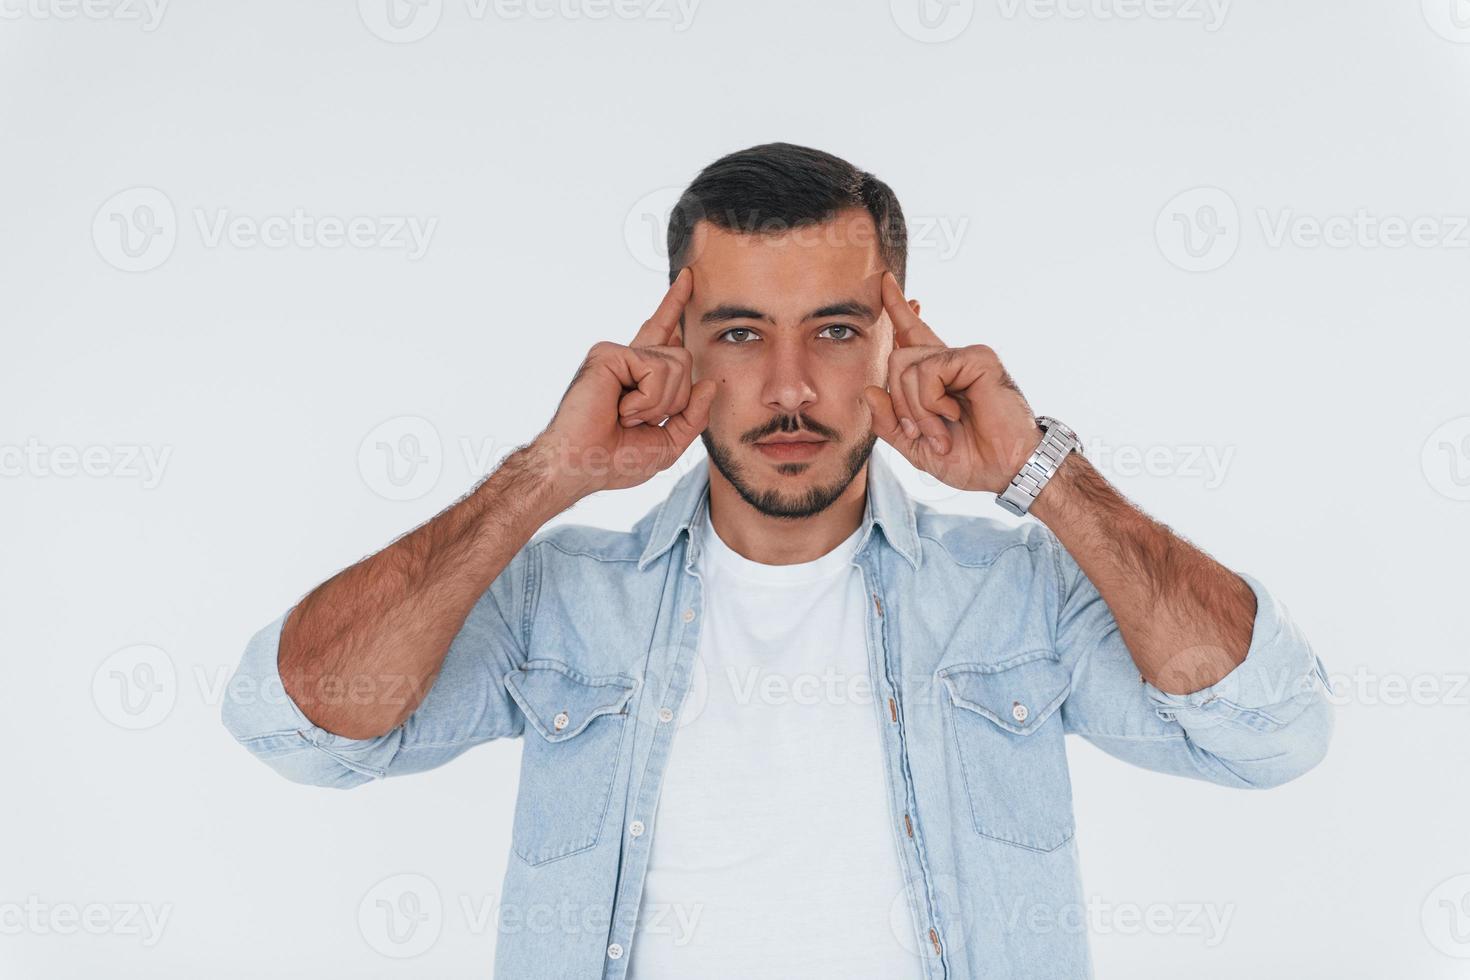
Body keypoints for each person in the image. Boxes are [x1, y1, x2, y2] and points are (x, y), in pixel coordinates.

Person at [222, 143, 1333, 980]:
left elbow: (1272, 730)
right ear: (676, 344)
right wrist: (545, 475)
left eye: (839, 330)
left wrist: (1041, 471)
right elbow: (301, 725)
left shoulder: (1016, 598)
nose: (792, 386)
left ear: (901, 339)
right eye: (742, 332)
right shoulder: (559, 602)